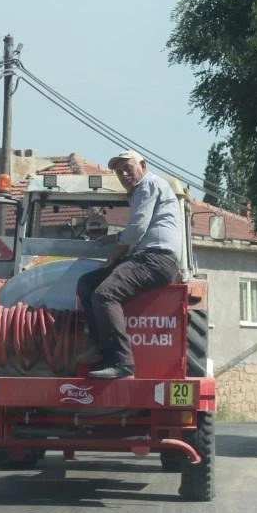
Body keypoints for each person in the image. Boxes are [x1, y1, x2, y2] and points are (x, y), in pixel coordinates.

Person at [76, 150, 184, 379]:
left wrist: (113, 256)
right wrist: (113, 238)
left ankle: (123, 363)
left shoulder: (148, 185)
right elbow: (139, 229)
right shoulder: (139, 192)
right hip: (148, 257)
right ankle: (97, 346)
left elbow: (136, 229)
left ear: (143, 165)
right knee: (87, 283)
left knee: (105, 294)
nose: (124, 174)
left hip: (155, 259)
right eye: (119, 171)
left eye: (128, 168)